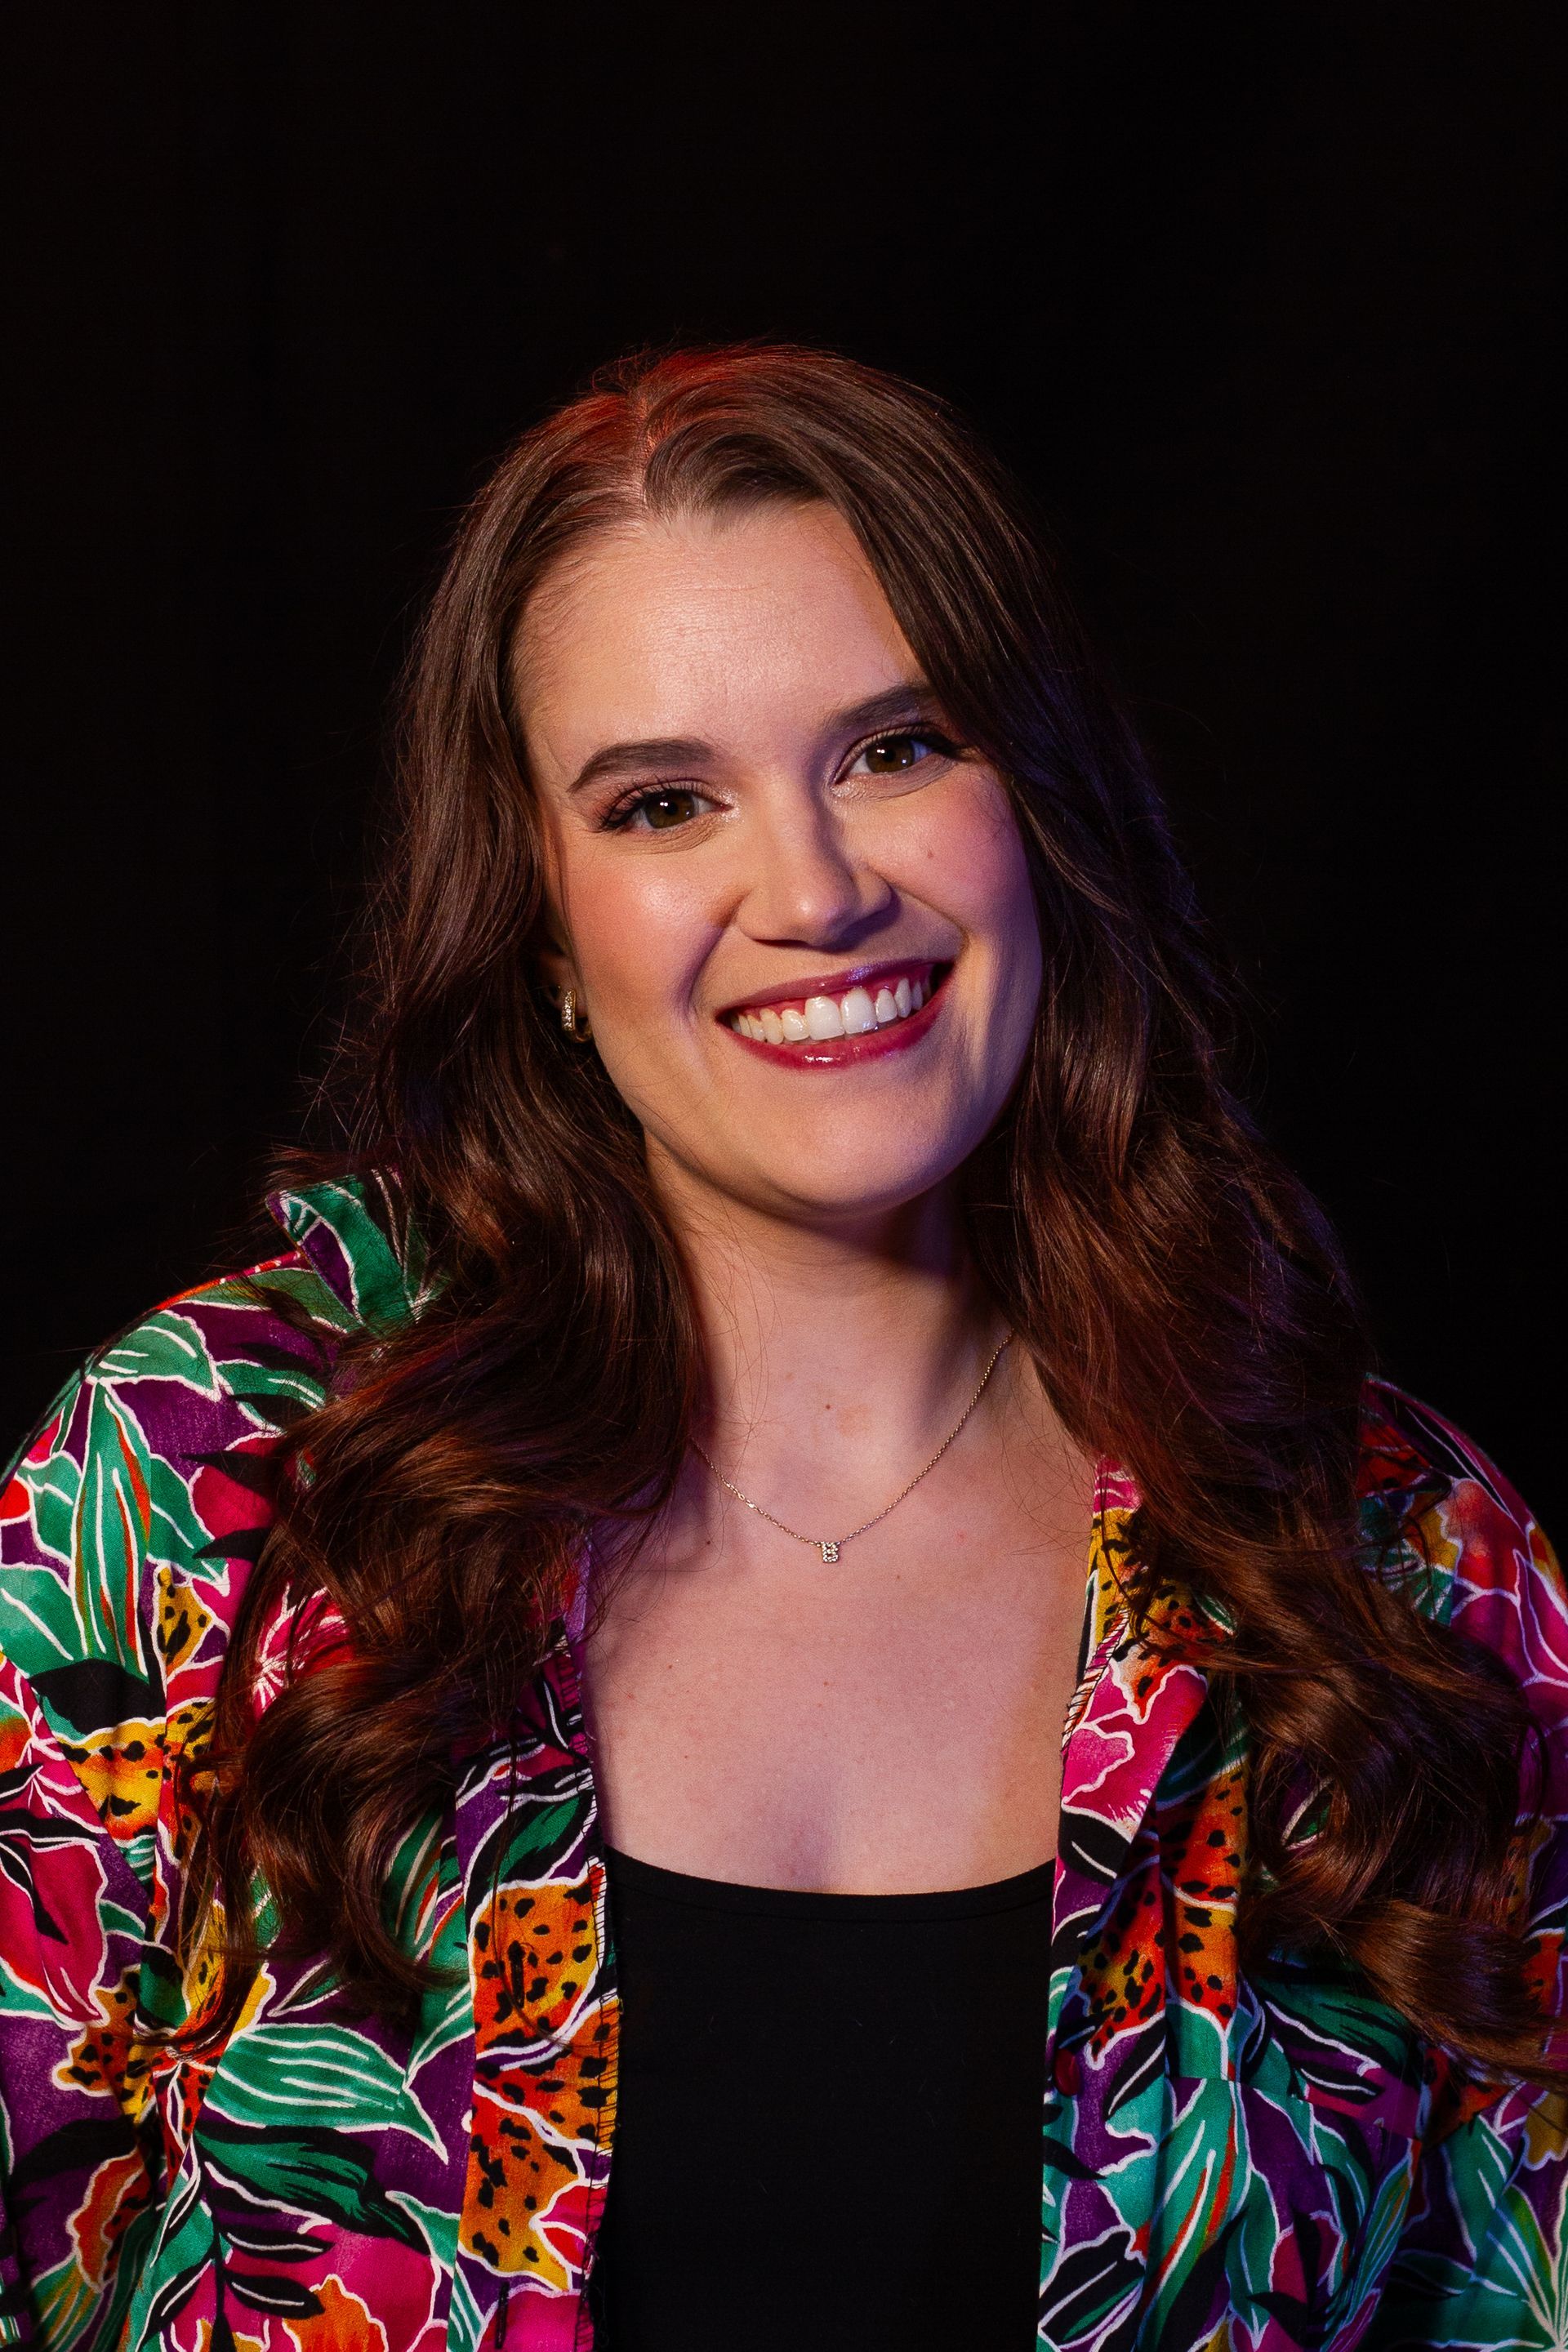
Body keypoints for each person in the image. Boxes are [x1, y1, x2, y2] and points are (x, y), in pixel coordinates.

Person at [0, 345, 1561, 2352]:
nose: (815, 892)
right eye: (663, 802)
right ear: (546, 935)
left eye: (897, 749)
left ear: (1045, 806)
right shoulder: (195, 1488)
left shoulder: (1400, 1564)